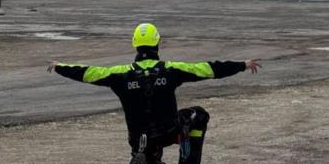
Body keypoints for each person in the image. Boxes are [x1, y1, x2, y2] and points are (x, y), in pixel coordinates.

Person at [47, 22, 261, 164]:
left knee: (147, 150)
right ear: (158, 43)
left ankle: (145, 157)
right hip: (169, 131)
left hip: (139, 138)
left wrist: (59, 66)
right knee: (199, 115)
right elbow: (209, 69)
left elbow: (86, 73)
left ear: (135, 45)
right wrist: (242, 64)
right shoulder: (170, 69)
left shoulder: (118, 74)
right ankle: (186, 159)